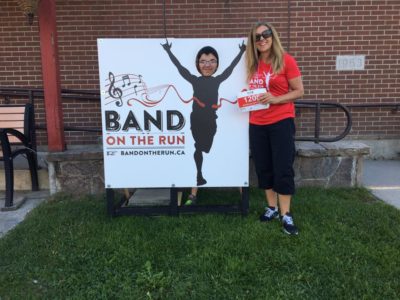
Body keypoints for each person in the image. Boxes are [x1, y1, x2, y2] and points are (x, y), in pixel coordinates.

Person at [245, 21, 304, 235]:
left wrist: (275, 99)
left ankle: (286, 214)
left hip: (281, 121)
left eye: (265, 34)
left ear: (273, 35)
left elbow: (299, 91)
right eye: (256, 37)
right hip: (256, 123)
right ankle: (271, 207)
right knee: (264, 167)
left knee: (283, 167)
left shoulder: (286, 60)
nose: (262, 39)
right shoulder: (252, 63)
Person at [162, 41, 246, 189]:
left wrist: (241, 52)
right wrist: (168, 51)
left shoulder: (217, 80)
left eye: (212, 61)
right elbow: (180, 68)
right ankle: (199, 175)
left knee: (207, 147)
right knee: (199, 147)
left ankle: (201, 163)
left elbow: (230, 68)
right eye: (203, 61)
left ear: (217, 64)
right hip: (197, 119)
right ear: (198, 64)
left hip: (211, 120)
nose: (207, 65)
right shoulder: (195, 80)